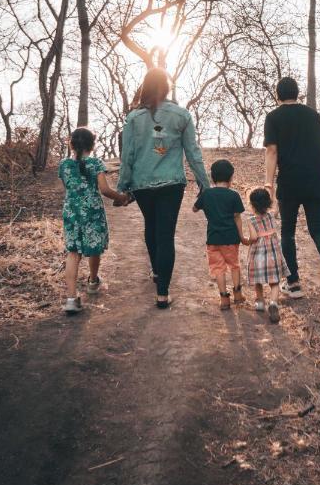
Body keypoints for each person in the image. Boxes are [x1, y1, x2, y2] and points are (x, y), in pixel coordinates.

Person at [117, 68, 209, 309]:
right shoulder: (181, 115)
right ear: (166, 87)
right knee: (165, 233)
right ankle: (163, 293)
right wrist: (204, 184)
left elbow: (127, 155)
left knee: (151, 225)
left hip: (142, 184)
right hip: (171, 183)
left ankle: (158, 271)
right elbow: (193, 153)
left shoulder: (133, 118)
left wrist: (123, 187)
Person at [264, 76, 320, 303]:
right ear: (297, 93)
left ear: (277, 95)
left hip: (290, 181)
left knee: (287, 232)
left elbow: (271, 151)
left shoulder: (273, 117)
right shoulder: (313, 115)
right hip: (316, 180)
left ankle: (293, 283)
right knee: (318, 229)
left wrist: (268, 185)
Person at [59, 127, 128, 315]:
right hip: (92, 211)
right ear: (92, 145)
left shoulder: (64, 165)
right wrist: (121, 197)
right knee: (94, 247)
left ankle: (72, 299)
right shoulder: (95, 163)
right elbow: (105, 190)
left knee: (73, 252)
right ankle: (92, 282)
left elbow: (68, 187)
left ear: (71, 144)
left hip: (72, 211)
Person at [193, 159, 247, 310]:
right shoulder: (234, 195)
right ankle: (237, 295)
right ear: (231, 178)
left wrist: (203, 201)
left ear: (212, 177)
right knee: (234, 265)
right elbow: (237, 216)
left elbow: (194, 209)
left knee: (218, 269)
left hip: (213, 239)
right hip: (231, 239)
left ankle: (224, 299)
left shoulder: (207, 194)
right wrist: (242, 236)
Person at [243, 187, 290, 324]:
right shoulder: (271, 215)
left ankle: (260, 302)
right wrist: (273, 193)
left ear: (251, 205)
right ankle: (274, 303)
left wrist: (245, 240)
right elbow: (276, 207)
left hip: (258, 256)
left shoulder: (251, 220)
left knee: (258, 280)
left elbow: (253, 237)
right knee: (274, 281)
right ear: (268, 203)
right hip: (273, 255)